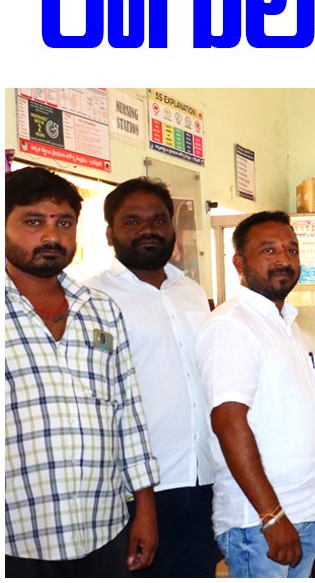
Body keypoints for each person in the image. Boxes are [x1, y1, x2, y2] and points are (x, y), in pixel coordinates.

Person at [5, 167, 159, 576]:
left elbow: (128, 413)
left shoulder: (101, 309)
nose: (52, 236)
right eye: (33, 221)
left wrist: (144, 508)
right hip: (17, 539)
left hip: (103, 530)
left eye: (64, 223)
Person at [196, 211, 315, 578]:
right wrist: (271, 517)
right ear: (240, 263)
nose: (284, 259)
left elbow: (299, 417)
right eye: (268, 250)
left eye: (291, 249)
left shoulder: (287, 325)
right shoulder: (231, 326)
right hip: (260, 521)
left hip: (301, 509)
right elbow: (228, 424)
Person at [86, 177, 219, 577]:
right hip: (135, 490)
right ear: (110, 233)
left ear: (172, 228)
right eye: (132, 222)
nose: (148, 230)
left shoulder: (192, 292)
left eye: (158, 220)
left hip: (203, 477)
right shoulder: (90, 299)